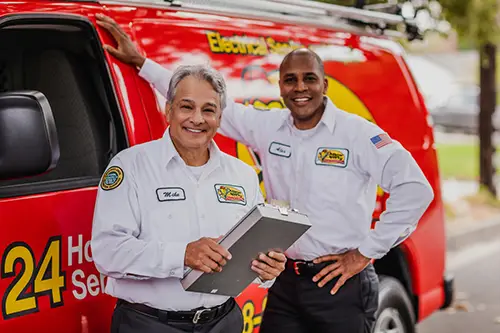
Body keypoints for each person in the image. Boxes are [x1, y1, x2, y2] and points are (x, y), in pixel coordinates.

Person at [95, 13, 434, 333]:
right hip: (286, 279)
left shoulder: (358, 134)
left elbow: (415, 190)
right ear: (281, 87)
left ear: (325, 84)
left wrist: (364, 254)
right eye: (290, 80)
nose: (300, 87)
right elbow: (201, 102)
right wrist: (142, 64)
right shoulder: (267, 126)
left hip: (338, 281)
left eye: (309, 78)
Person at [91, 62, 286, 333]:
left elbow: (252, 248)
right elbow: (107, 253)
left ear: (220, 117)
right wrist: (182, 255)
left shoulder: (242, 175)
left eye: (209, 110)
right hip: (149, 324)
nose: (197, 118)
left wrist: (266, 269)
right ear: (168, 110)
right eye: (186, 107)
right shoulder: (130, 166)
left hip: (224, 322)